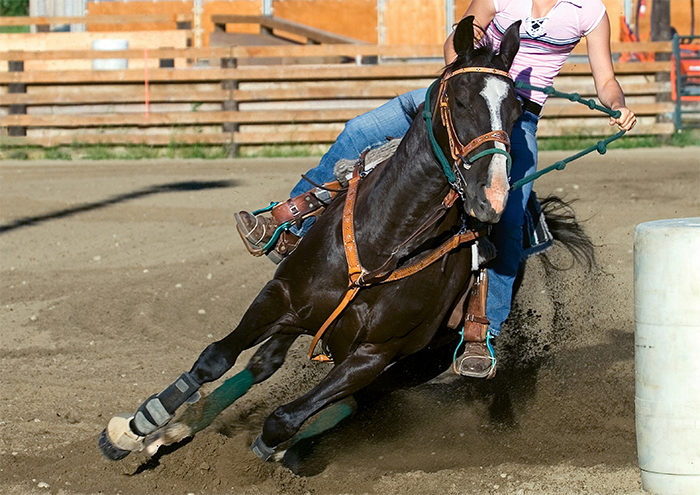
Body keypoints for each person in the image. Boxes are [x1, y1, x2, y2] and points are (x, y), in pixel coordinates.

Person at [234, 0, 637, 378]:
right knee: (359, 131)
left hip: (515, 116)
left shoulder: (590, 12)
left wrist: (617, 106)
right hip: (459, 96)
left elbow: (606, 80)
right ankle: (289, 226)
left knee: (510, 214)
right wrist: (463, 84)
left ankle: (483, 330)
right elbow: (459, 37)